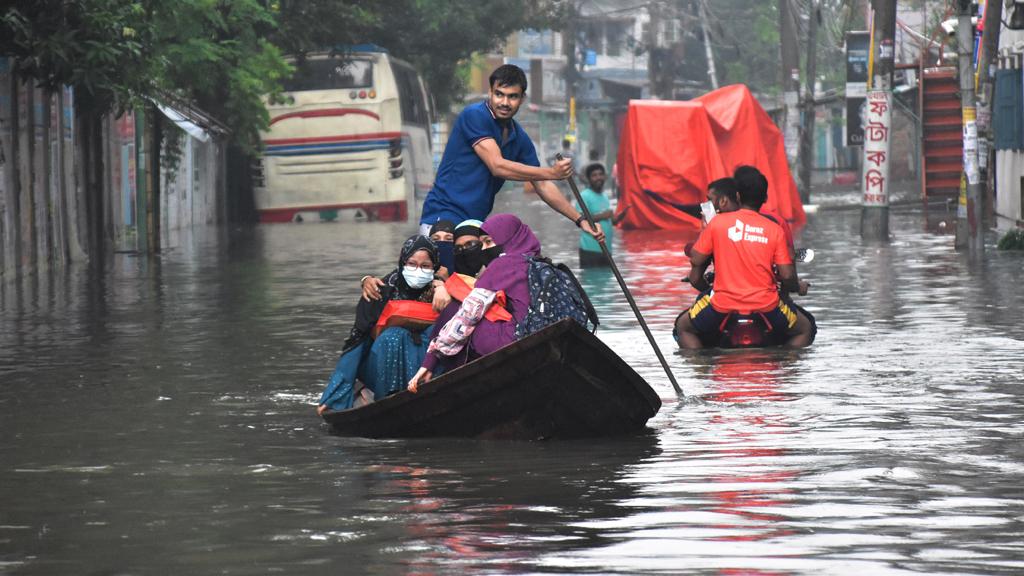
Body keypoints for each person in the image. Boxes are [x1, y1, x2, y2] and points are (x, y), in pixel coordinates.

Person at [418, 64, 603, 242]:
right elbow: (497, 166)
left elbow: (543, 185)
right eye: (499, 95)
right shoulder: (475, 115)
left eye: (512, 97)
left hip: (473, 224)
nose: (505, 103)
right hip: (442, 218)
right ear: (490, 92)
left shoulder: (519, 137)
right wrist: (552, 172)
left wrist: (580, 220)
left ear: (522, 99)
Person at [406, 214, 539, 393]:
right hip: (535, 332)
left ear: (505, 238)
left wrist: (430, 361)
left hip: (513, 339)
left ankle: (450, 383)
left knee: (456, 310)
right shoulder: (537, 262)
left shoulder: (501, 265)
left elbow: (467, 315)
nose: (483, 249)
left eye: (488, 242)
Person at [674, 183, 814, 349]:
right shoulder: (775, 225)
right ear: (765, 198)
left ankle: (701, 367)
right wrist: (796, 288)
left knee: (683, 327)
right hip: (766, 306)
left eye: (710, 200)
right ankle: (787, 365)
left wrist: (711, 289)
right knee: (806, 328)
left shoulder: (716, 224)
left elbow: (695, 272)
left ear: (731, 198)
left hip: (723, 305)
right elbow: (787, 274)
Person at [317, 235, 440, 414]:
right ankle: (387, 398)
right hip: (382, 365)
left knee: (436, 332)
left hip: (426, 368)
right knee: (393, 337)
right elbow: (358, 341)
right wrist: (335, 392)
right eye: (412, 264)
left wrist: (443, 289)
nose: (418, 270)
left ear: (434, 266)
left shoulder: (441, 290)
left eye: (426, 266)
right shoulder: (380, 291)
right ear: (402, 262)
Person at [575, 163, 629, 267]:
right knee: (592, 281)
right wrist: (603, 215)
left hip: (606, 250)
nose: (598, 178)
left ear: (605, 176)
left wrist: (621, 216)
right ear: (589, 179)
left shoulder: (604, 196)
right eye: (594, 175)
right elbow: (580, 220)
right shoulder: (584, 195)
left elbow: (611, 221)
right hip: (590, 251)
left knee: (605, 280)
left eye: (600, 174)